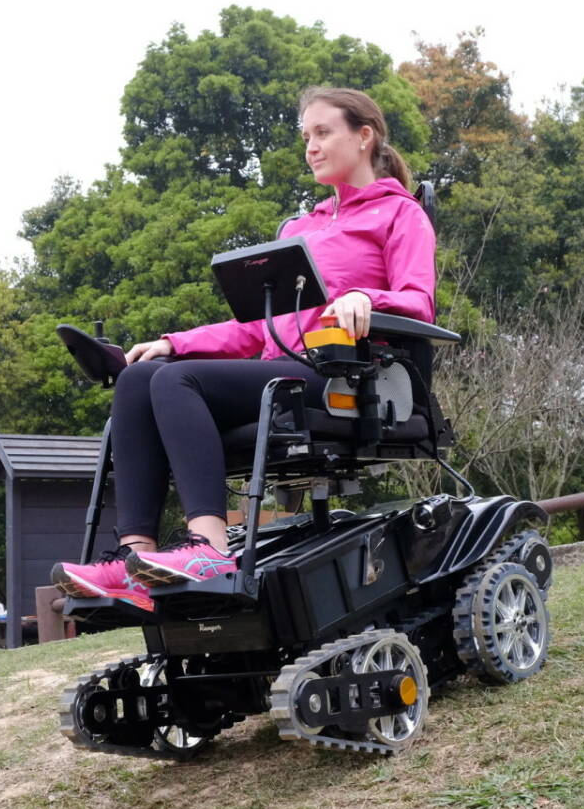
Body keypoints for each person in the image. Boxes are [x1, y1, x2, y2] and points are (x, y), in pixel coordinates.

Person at [52, 86, 437, 610]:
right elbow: (256, 329)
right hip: (280, 371)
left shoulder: (399, 214)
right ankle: (132, 557)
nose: (311, 147)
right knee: (141, 376)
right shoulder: (300, 230)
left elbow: (419, 302)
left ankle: (208, 548)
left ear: (364, 136)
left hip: (344, 379)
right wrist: (171, 342)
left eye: (323, 133)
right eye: (307, 137)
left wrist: (361, 296)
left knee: (175, 380)